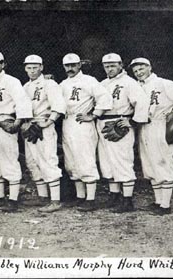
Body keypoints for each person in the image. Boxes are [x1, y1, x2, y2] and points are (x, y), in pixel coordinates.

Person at [130, 57, 173, 215]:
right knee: (150, 164)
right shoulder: (137, 86)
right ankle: (158, 201)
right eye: (136, 71)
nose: (139, 72)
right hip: (144, 126)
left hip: (160, 125)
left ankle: (165, 205)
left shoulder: (162, 83)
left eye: (141, 68)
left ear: (150, 67)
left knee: (163, 162)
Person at [59, 53, 112, 212]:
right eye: (67, 66)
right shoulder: (62, 84)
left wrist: (94, 115)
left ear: (79, 65)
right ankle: (80, 197)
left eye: (73, 65)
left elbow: (104, 97)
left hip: (82, 123)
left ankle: (91, 199)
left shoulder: (89, 80)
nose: (70, 68)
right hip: (67, 122)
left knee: (85, 159)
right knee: (71, 162)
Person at [98, 53, 149, 213]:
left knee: (122, 161)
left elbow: (141, 103)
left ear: (120, 65)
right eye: (107, 66)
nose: (110, 69)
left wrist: (132, 122)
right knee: (107, 162)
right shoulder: (103, 83)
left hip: (120, 123)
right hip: (103, 123)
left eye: (113, 65)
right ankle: (114, 196)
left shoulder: (129, 83)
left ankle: (127, 200)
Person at [0, 51, 33, 212]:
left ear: (3, 64)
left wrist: (18, 122)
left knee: (9, 158)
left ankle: (13, 199)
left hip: (5, 120)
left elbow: (22, 102)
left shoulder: (11, 81)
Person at [21, 54, 66, 213]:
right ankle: (43, 197)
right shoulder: (26, 86)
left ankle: (55, 200)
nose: (32, 70)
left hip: (43, 125)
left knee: (48, 160)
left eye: (35, 67)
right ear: (25, 68)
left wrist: (49, 121)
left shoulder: (49, 83)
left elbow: (58, 105)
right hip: (30, 125)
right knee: (32, 162)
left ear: (41, 67)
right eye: (29, 67)